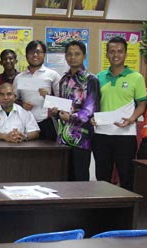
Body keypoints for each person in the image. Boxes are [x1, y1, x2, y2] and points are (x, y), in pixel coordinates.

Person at [93, 36, 147, 190]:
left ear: (125, 53)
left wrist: (132, 119)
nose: (115, 55)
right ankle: (103, 210)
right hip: (101, 134)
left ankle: (125, 212)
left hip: (125, 135)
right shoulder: (99, 77)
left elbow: (142, 104)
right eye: (112, 51)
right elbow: (94, 104)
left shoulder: (136, 77)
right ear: (107, 54)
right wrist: (92, 118)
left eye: (120, 51)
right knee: (102, 177)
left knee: (127, 177)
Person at [51, 41, 100, 182]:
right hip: (63, 137)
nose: (73, 57)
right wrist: (55, 111)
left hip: (81, 138)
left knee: (80, 178)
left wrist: (70, 117)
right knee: (64, 177)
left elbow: (91, 109)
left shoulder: (91, 79)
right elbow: (62, 104)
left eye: (77, 54)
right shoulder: (63, 80)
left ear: (84, 55)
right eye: (69, 54)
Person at [13, 40, 61, 141]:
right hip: (25, 123)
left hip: (47, 123)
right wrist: (22, 104)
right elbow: (14, 100)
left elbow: (62, 101)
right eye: (31, 52)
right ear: (26, 55)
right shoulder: (19, 77)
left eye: (38, 52)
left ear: (44, 55)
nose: (35, 55)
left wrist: (48, 97)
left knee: (49, 155)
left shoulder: (53, 75)